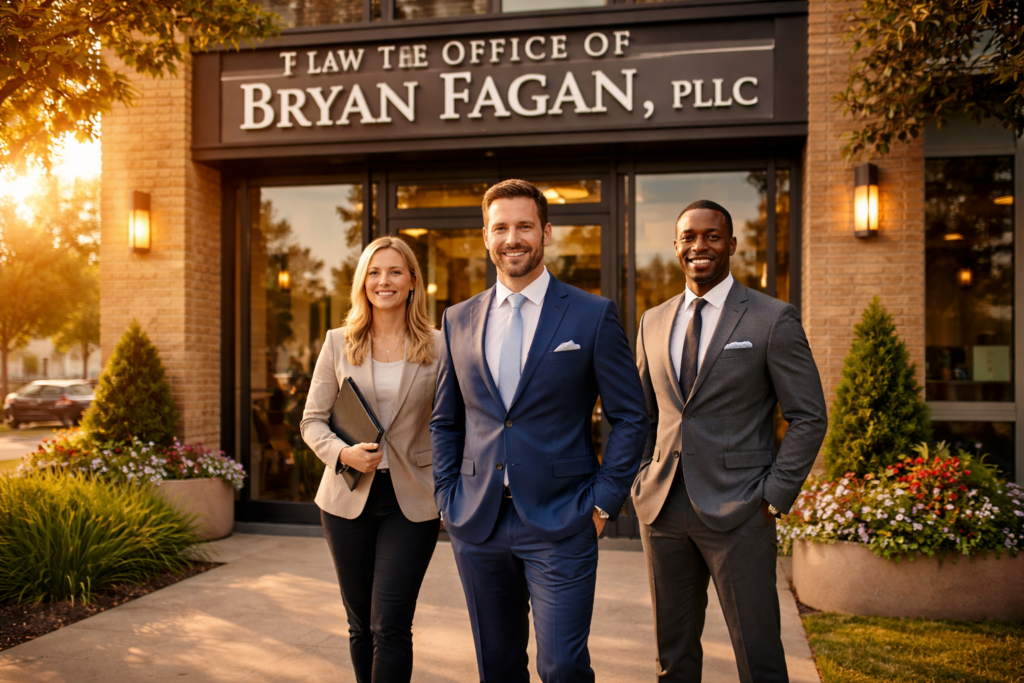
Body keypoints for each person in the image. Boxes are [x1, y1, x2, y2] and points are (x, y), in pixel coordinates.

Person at [431, 178, 649, 683]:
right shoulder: (458, 319)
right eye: (501, 227)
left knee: (563, 666)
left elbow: (631, 416)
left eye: (524, 225)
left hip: (563, 519)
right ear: (485, 236)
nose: (513, 238)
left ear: (547, 232)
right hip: (478, 520)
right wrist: (447, 496)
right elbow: (446, 419)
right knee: (498, 665)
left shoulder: (593, 315)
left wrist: (603, 501)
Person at [632, 199, 827, 683]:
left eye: (712, 237)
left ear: (732, 245)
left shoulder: (771, 318)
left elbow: (808, 416)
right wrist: (640, 480)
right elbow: (640, 415)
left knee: (758, 656)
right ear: (677, 246)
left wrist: (774, 497)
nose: (700, 246)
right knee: (672, 656)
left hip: (742, 510)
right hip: (662, 508)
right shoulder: (652, 321)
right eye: (689, 237)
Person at [300, 236, 442, 683]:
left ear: (413, 281)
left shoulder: (440, 347)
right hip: (346, 501)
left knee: (391, 625)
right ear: (363, 282)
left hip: (412, 502)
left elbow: (452, 424)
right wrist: (342, 452)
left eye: (396, 271)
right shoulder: (338, 343)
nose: (385, 281)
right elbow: (311, 421)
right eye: (375, 272)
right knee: (360, 626)